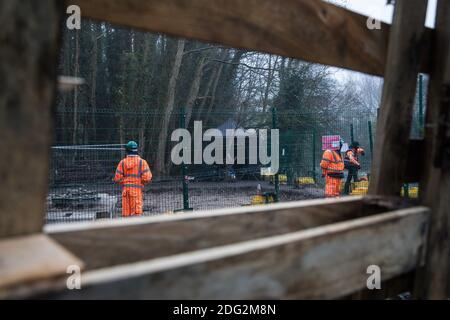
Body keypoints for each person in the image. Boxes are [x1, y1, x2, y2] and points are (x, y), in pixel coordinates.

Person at [114, 141, 152, 217]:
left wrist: (126, 182)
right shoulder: (142, 162)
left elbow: (117, 178)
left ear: (127, 151)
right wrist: (140, 182)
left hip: (126, 192)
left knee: (126, 215)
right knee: (136, 215)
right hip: (136, 192)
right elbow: (147, 178)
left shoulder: (122, 163)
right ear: (137, 150)